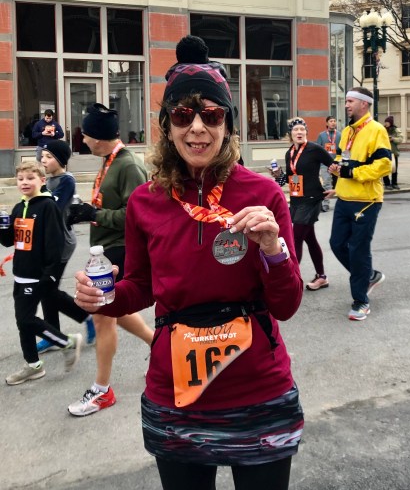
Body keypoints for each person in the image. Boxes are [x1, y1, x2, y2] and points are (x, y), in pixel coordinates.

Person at [73, 35, 304, 490]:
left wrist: (273, 250)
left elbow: (287, 304)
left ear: (228, 125)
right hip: (176, 392)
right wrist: (104, 297)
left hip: (257, 389)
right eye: (183, 115)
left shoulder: (263, 195)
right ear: (167, 126)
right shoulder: (145, 201)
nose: (197, 128)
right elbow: (141, 286)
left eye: (212, 115)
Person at [66, 103, 154, 416]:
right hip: (106, 249)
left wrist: (96, 214)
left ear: (99, 138)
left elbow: (138, 214)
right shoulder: (110, 161)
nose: (83, 140)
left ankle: (102, 391)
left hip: (120, 250)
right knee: (113, 310)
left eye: (86, 135)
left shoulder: (128, 165)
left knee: (102, 316)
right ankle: (158, 343)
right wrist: (86, 213)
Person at [0, 162, 83, 385]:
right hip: (20, 273)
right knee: (23, 322)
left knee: (27, 319)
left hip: (37, 275)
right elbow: (8, 241)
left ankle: (66, 342)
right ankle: (33, 365)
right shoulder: (19, 207)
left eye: (30, 178)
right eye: (20, 179)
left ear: (42, 180)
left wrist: (51, 274)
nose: (24, 182)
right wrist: (3, 227)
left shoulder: (48, 206)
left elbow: (55, 244)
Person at [327, 87, 392, 321]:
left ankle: (361, 301)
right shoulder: (347, 131)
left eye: (350, 101)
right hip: (344, 198)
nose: (346, 105)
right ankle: (369, 276)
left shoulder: (376, 130)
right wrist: (336, 169)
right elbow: (341, 159)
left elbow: (385, 165)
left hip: (366, 201)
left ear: (364, 104)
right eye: (346, 101)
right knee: (336, 244)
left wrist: (352, 173)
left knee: (358, 250)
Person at [35, 140, 95, 354]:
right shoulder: (46, 180)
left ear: (60, 160)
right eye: (42, 156)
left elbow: (53, 208)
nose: (43, 160)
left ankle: (86, 317)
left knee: (47, 289)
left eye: (48, 157)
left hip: (61, 243)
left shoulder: (66, 181)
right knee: (46, 290)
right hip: (44, 243)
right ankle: (52, 335)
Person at [271, 117, 334, 291]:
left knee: (295, 237)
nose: (299, 132)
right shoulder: (289, 153)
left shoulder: (315, 149)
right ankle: (322, 277)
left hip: (312, 199)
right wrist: (278, 175)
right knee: (310, 239)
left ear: (306, 132)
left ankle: (292, 280)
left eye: (302, 129)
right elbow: (288, 179)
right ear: (290, 134)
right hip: (297, 200)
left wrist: (337, 188)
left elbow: (334, 165)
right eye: (296, 130)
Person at [316, 115, 342, 211]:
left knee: (339, 184)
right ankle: (325, 203)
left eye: (334, 121)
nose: (333, 123)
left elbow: (343, 148)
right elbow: (318, 149)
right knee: (326, 183)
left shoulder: (339, 135)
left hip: (337, 163)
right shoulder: (321, 135)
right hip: (325, 164)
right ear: (327, 123)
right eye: (331, 121)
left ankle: (342, 203)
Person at [382, 116, 403, 190]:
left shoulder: (396, 130)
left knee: (394, 169)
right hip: (384, 152)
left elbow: (400, 139)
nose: (386, 123)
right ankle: (387, 183)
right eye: (385, 122)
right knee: (385, 169)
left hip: (393, 152)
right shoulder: (382, 129)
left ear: (391, 123)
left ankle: (394, 183)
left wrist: (393, 139)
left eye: (387, 122)